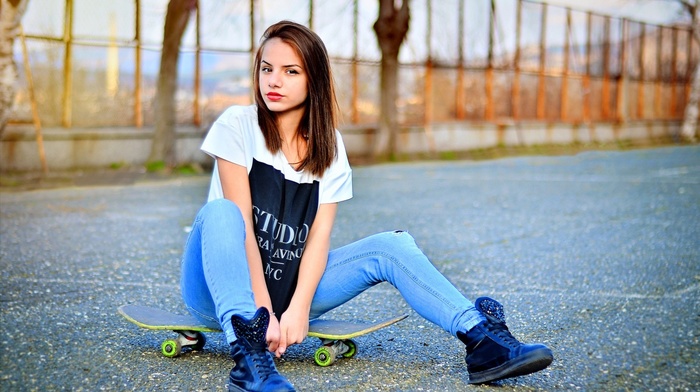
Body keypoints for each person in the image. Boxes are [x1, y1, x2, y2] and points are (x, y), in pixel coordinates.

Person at [180, 20, 553, 392]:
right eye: (267, 69)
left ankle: (482, 340)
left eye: (290, 71)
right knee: (221, 213)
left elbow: (318, 239)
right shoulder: (237, 125)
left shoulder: (329, 147)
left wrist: (298, 309)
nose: (273, 81)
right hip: (222, 293)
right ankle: (248, 366)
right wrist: (261, 313)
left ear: (314, 81)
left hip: (290, 289)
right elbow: (242, 223)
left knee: (391, 246)